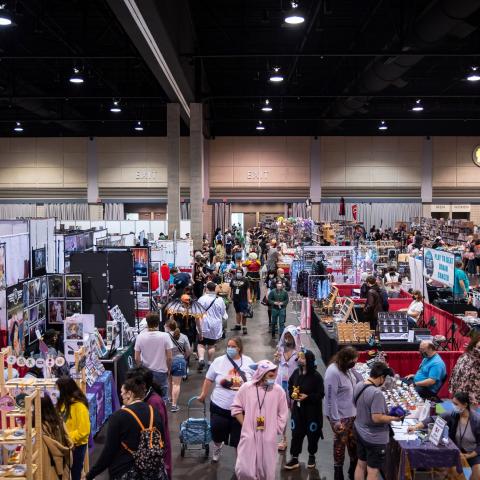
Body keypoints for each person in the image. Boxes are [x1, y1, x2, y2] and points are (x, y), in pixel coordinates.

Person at [86, 377, 168, 480]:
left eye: (122, 392)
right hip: (154, 471)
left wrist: (90, 475)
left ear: (129, 394)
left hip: (126, 471)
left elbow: (108, 452)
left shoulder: (119, 416)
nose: (121, 395)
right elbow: (162, 441)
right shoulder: (154, 411)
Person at [198, 337, 254, 462]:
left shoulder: (248, 362)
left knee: (239, 438)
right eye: (228, 346)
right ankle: (217, 447)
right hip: (219, 406)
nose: (230, 348)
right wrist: (203, 394)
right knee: (217, 432)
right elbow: (208, 379)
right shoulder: (218, 361)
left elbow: (256, 381)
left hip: (241, 410)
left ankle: (240, 461)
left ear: (239, 348)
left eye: (233, 346)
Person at [231, 360, 289, 480]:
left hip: (268, 437)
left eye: (275, 375)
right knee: (244, 470)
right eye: (271, 376)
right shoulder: (247, 388)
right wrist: (246, 425)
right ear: (262, 374)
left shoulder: (279, 391)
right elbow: (236, 407)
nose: (274, 378)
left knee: (267, 471)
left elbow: (283, 413)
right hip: (249, 434)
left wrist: (275, 429)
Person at [409, 391, 480, 480]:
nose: (453, 406)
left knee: (478, 473)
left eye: (456, 404)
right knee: (455, 473)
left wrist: (468, 456)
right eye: (452, 403)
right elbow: (432, 419)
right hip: (456, 450)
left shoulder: (477, 421)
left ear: (465, 405)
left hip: (473, 452)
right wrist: (415, 427)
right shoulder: (453, 414)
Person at [353, 362, 400, 480]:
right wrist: (394, 418)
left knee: (360, 464)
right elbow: (377, 418)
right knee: (373, 471)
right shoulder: (376, 393)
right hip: (374, 438)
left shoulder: (359, 384)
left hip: (359, 430)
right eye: (385, 379)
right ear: (381, 377)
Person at [125, 366, 172, 479]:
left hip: (156, 457)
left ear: (142, 386)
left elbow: (158, 435)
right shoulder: (147, 399)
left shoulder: (154, 402)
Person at [324, 347, 363, 480]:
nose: (354, 364)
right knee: (340, 443)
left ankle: (353, 469)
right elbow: (331, 398)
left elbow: (357, 380)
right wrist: (335, 421)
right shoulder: (333, 372)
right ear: (346, 359)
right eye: (353, 361)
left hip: (352, 413)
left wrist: (356, 372)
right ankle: (338, 472)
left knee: (353, 442)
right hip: (339, 415)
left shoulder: (347, 369)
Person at [285, 349, 325, 471]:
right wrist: (293, 394)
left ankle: (311, 455)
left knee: (312, 434)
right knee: (296, 434)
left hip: (312, 412)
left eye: (302, 358)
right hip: (298, 411)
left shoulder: (316, 377)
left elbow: (320, 394)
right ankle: (295, 457)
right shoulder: (296, 373)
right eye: (299, 358)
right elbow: (291, 386)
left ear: (308, 360)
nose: (299, 360)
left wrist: (308, 397)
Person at [274, 325, 303, 451]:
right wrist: (275, 360)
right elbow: (275, 366)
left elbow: (307, 368)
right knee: (282, 413)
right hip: (280, 385)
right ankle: (283, 439)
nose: (287, 339)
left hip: (294, 386)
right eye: (285, 336)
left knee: (295, 414)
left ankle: (296, 438)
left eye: (289, 336)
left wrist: (303, 362)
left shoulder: (300, 351)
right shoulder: (280, 349)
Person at [56, 377, 90, 480]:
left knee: (75, 473)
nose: (56, 392)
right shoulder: (63, 402)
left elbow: (84, 431)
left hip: (77, 446)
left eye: (58, 389)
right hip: (65, 444)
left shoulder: (79, 406)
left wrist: (68, 438)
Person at [134, 312, 173, 401]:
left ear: (147, 323)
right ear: (158, 322)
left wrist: (140, 369)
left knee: (146, 396)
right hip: (161, 372)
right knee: (162, 397)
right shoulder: (165, 336)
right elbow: (169, 357)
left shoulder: (140, 337)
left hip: (146, 372)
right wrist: (169, 369)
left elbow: (136, 358)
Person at [41, 395, 73, 480]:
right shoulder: (59, 420)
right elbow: (67, 439)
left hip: (48, 466)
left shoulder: (40, 427)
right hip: (62, 465)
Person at [197, 282, 226, 371]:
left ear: (207, 289)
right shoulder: (220, 300)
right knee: (211, 344)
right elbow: (223, 313)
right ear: (214, 289)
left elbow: (197, 312)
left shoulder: (201, 299)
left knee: (201, 343)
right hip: (215, 325)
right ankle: (210, 362)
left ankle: (201, 359)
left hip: (203, 323)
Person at [164, 319, 190, 411]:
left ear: (167, 327)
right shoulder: (183, 336)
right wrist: (184, 358)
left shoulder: (164, 337)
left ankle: (169, 399)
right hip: (179, 361)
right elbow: (188, 351)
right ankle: (174, 405)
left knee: (168, 382)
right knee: (176, 384)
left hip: (166, 361)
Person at [450, 335, 480, 406]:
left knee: (470, 402)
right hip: (461, 376)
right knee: (458, 400)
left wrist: (474, 350)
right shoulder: (476, 337)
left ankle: (470, 416)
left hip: (472, 379)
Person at [230, 267, 252, 335]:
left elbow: (248, 290)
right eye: (237, 272)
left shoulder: (245, 280)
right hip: (236, 299)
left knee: (244, 314)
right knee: (237, 312)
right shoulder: (233, 279)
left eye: (240, 272)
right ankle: (238, 325)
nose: (238, 273)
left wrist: (249, 299)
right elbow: (231, 288)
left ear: (242, 273)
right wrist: (230, 296)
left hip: (243, 299)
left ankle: (244, 327)